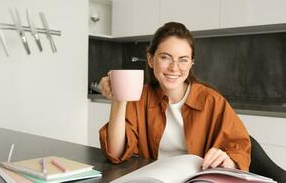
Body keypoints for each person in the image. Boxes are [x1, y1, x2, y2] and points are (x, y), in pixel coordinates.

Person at [98, 22, 251, 171]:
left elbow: (240, 151)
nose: (174, 68)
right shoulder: (140, 97)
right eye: (165, 57)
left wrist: (228, 161)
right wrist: (119, 99)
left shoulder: (211, 101)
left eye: (183, 60)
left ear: (191, 63)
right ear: (151, 60)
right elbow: (116, 153)